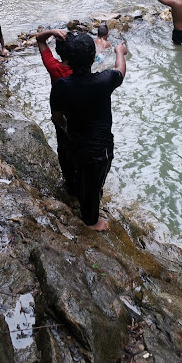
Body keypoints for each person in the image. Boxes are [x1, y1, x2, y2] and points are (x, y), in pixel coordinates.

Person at [50, 33, 127, 231]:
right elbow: (120, 70)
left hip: (74, 142)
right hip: (99, 150)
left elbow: (57, 117)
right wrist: (119, 52)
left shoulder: (61, 86)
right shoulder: (104, 80)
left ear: (68, 60)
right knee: (94, 186)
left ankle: (74, 189)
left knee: (80, 173)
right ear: (93, 59)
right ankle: (92, 222)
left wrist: (67, 129)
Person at [35, 28, 75, 193]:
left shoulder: (54, 68)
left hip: (60, 115)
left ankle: (68, 179)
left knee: (63, 146)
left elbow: (40, 40)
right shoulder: (82, 68)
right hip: (78, 115)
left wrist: (51, 32)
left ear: (58, 51)